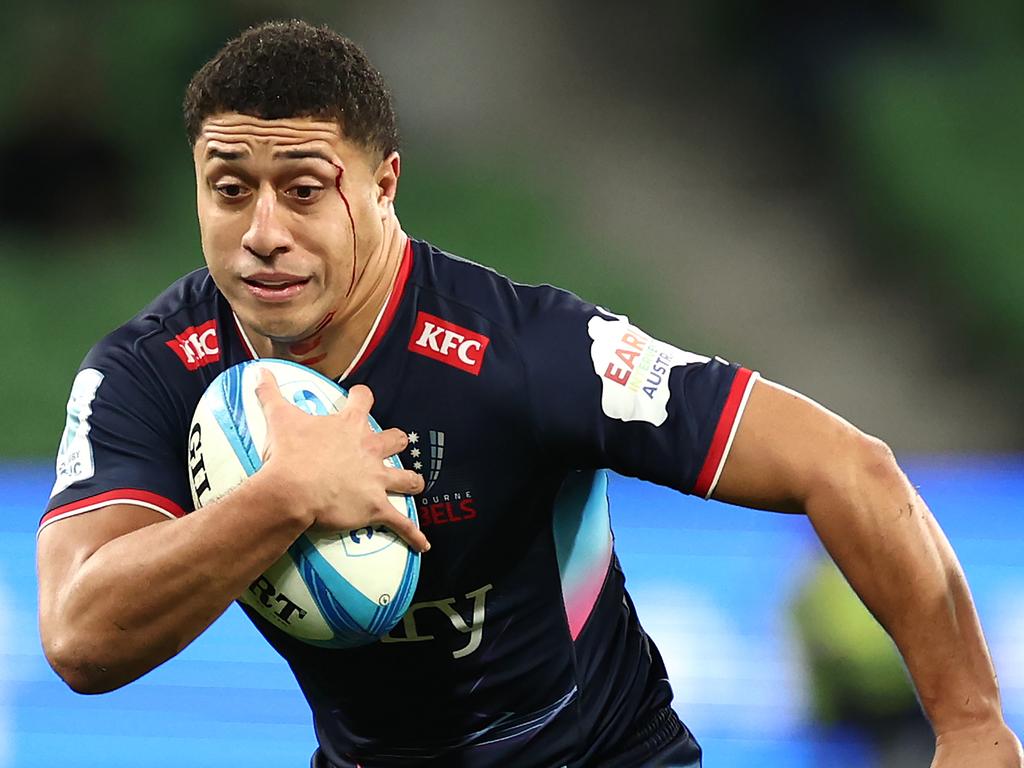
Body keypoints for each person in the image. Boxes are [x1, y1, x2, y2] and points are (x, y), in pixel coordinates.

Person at [35, 20, 1021, 768]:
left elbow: (844, 466)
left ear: (383, 186)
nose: (261, 232)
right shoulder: (151, 371)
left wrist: (971, 720)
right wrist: (283, 493)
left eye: (303, 189)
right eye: (228, 187)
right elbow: (80, 638)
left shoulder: (524, 350)